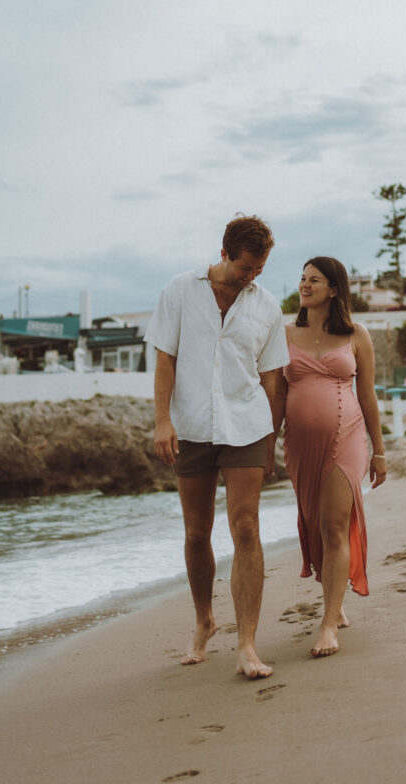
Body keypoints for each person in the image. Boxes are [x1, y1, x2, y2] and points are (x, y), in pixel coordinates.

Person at [145, 215, 289, 679]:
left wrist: (270, 439)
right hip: (190, 427)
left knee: (246, 528)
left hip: (246, 425)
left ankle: (246, 644)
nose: (254, 276)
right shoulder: (180, 290)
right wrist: (162, 420)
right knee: (196, 533)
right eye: (248, 266)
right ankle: (204, 619)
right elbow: (164, 358)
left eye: (261, 267)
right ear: (225, 251)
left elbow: (272, 379)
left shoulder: (266, 305)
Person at [281, 256, 386, 658]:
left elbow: (368, 395)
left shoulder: (357, 334)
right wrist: (267, 443)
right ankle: (334, 598)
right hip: (299, 447)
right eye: (302, 278)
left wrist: (379, 452)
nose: (305, 285)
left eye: (315, 280)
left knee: (334, 524)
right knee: (314, 524)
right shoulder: (286, 333)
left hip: (348, 438)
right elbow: (275, 393)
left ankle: (329, 623)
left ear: (335, 289)